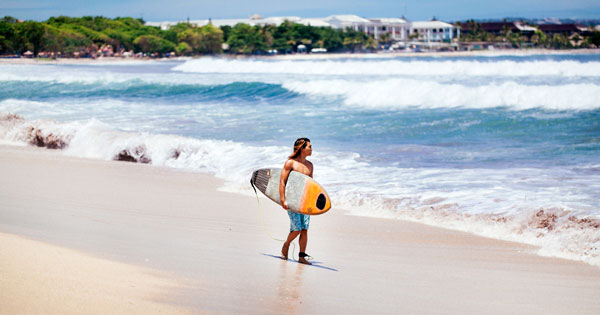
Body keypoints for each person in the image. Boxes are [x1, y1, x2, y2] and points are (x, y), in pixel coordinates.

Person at [279, 137, 313, 265]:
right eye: (309, 146)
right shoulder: (290, 163)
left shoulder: (310, 165)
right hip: (292, 200)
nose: (311, 149)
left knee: (304, 229)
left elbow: (312, 185)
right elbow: (282, 181)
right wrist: (283, 199)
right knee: (297, 229)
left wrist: (312, 203)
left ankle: (301, 256)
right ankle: (286, 245)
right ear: (302, 148)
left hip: (305, 201)